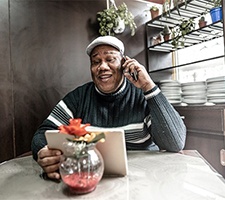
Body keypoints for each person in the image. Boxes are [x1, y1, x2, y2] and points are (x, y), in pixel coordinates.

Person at [31, 36, 186, 180]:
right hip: (93, 177)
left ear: (124, 63)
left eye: (110, 59)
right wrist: (42, 152)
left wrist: (148, 86)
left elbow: (175, 142)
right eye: (96, 62)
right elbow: (43, 133)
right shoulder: (78, 98)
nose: (102, 67)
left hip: (144, 177)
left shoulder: (142, 95)